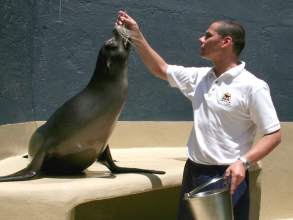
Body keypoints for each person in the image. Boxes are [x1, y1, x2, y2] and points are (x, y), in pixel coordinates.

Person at [116, 10, 281, 220]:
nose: (200, 39)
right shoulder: (200, 78)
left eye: (208, 35)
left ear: (226, 42)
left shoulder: (253, 87)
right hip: (193, 171)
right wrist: (136, 35)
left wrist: (244, 162)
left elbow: (273, 134)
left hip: (228, 177)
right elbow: (161, 69)